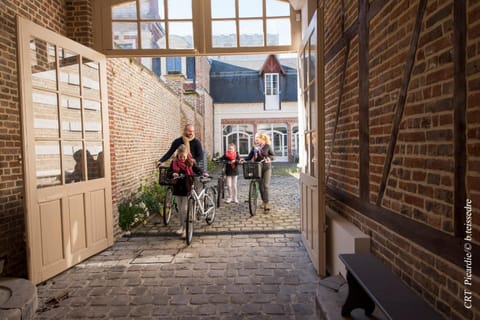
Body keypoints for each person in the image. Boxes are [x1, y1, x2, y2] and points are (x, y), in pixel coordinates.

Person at [167, 144, 206, 237]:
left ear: (187, 154)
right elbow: (168, 173)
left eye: (184, 156)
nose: (182, 158)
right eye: (180, 157)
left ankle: (186, 229)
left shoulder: (190, 162)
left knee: (184, 209)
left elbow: (197, 169)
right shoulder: (174, 163)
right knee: (180, 210)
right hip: (177, 188)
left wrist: (203, 173)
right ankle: (182, 226)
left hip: (187, 188)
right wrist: (173, 174)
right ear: (178, 155)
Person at [242, 132, 275, 211]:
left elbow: (273, 155)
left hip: (267, 167)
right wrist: (243, 159)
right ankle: (264, 201)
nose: (256, 140)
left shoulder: (267, 146)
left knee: (266, 185)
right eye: (255, 139)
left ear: (262, 139)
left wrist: (269, 158)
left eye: (257, 139)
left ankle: (266, 203)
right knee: (260, 186)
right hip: (257, 168)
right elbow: (249, 157)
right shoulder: (254, 147)